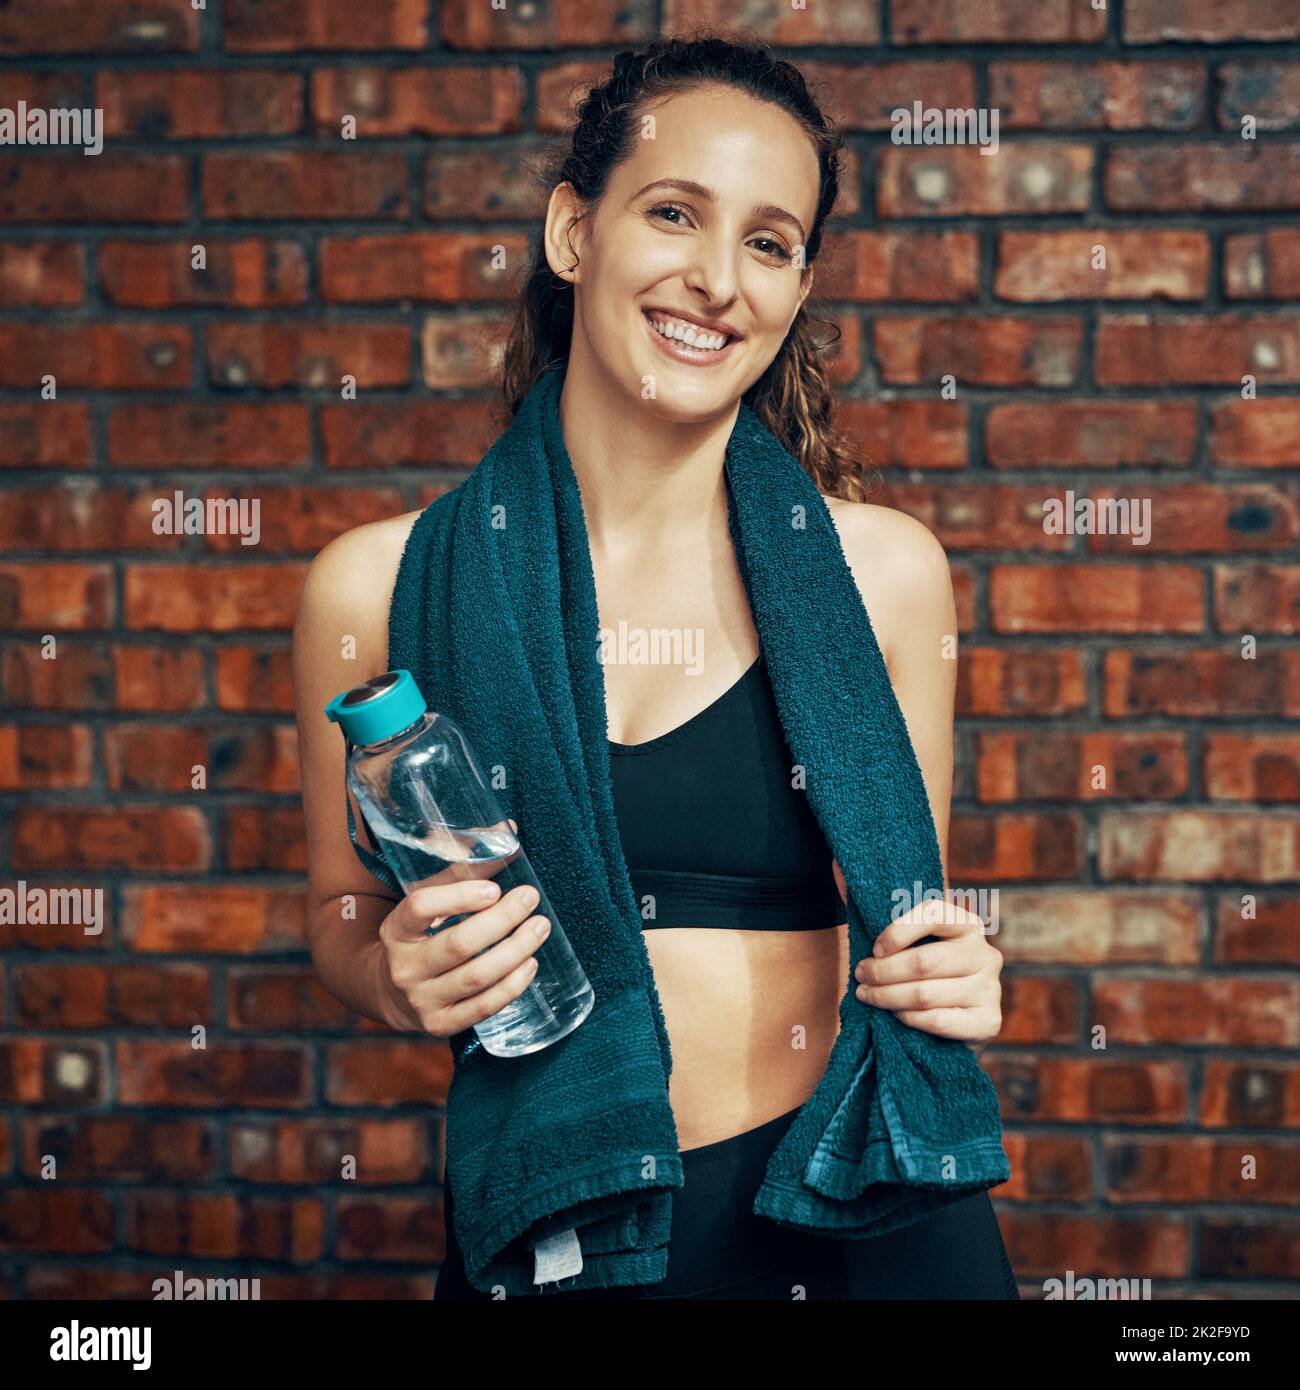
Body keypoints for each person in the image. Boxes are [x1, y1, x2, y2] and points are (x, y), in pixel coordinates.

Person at [294, 32, 1017, 1301]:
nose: (716, 280)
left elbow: (912, 927)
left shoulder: (884, 576)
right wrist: (395, 974)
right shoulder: (377, 585)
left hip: (853, 1207)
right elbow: (339, 918)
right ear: (574, 232)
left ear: (797, 289)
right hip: (557, 1216)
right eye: (674, 212)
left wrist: (953, 963)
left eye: (768, 241)